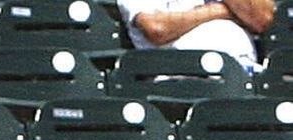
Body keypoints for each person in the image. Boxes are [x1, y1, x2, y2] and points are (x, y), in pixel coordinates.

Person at [116, 0, 275, 73]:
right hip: (184, 75)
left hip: (242, 71)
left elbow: (262, 18)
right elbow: (157, 28)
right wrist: (221, 11)